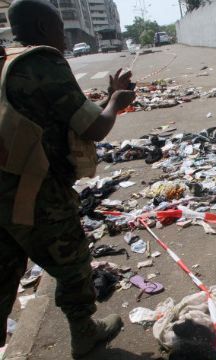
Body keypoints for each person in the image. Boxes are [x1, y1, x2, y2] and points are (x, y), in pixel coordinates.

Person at [0, 0, 136, 358]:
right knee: (72, 263)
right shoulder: (41, 61)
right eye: (59, 28)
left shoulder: (6, 60)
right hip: (33, 188)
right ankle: (84, 333)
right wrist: (116, 102)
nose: (63, 36)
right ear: (45, 28)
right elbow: (94, 127)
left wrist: (106, 97)